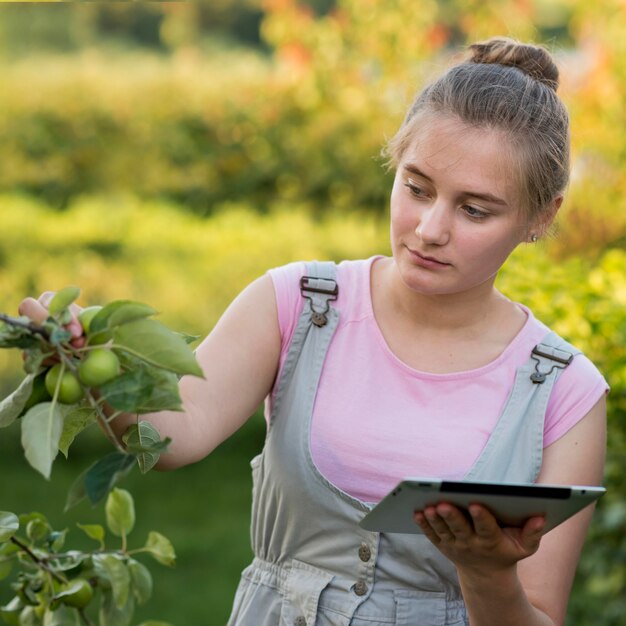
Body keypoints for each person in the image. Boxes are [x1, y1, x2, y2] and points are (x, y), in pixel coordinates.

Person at [20, 37, 608, 626]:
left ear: (541, 217)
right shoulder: (300, 305)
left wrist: (486, 574)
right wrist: (91, 363)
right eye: (417, 188)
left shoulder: (563, 391)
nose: (430, 229)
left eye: (474, 210)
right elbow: (174, 432)